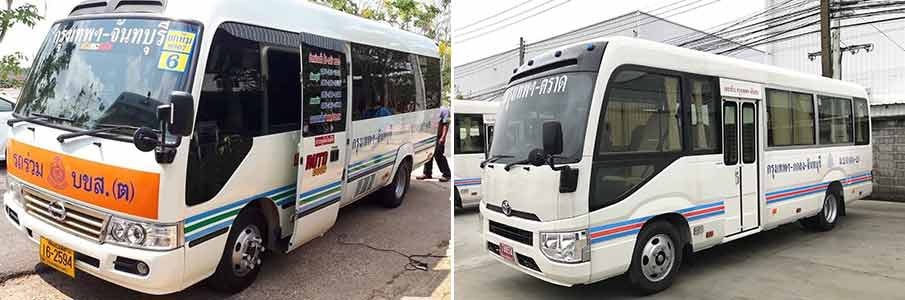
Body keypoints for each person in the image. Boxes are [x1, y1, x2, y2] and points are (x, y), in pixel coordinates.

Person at [417, 106, 451, 182]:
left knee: (438, 154)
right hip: (429, 135)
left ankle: (446, 174)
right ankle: (427, 173)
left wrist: (443, 137)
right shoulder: (429, 110)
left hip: (438, 136)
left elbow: (446, 124)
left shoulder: (444, 110)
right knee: (428, 154)